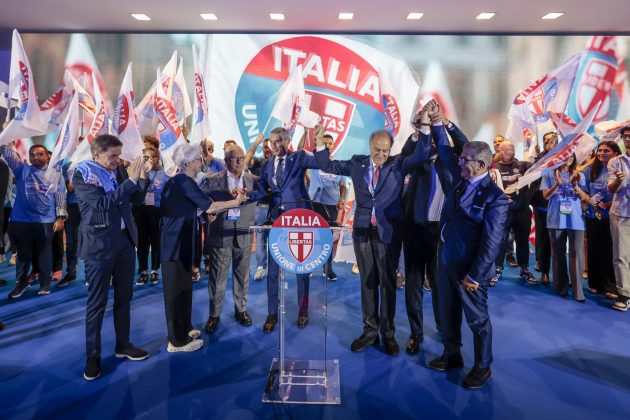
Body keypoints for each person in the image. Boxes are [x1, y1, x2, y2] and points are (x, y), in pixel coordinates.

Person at [313, 116, 427, 356]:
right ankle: (369, 331)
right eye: (377, 150)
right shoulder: (357, 163)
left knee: (387, 283)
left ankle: (388, 334)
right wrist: (320, 143)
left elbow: (421, 154)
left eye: (386, 150)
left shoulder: (398, 164)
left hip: (389, 234)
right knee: (367, 281)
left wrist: (422, 130)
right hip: (363, 232)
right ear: (369, 146)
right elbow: (326, 166)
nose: (381, 154)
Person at [428, 141, 508, 389]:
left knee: (477, 320)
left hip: (471, 271)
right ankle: (452, 355)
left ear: (481, 164)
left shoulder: (495, 197)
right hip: (447, 262)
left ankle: (483, 367)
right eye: (461, 158)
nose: (459, 162)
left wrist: (475, 275)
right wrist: (440, 125)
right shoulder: (460, 182)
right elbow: (445, 152)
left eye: (464, 159)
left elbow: (492, 242)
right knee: (448, 312)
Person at [74, 134, 151, 381]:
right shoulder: (83, 174)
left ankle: (123, 344)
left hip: (125, 242)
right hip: (99, 246)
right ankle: (92, 356)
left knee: (124, 297)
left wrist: (142, 177)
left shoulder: (118, 170)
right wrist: (131, 181)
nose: (118, 160)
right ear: (96, 154)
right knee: (97, 303)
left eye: (119, 155)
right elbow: (101, 205)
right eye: (113, 156)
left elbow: (135, 199)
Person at [161, 143, 245, 351]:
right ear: (188, 163)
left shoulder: (179, 181)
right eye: (198, 159)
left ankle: (184, 328)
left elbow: (187, 208)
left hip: (181, 242)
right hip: (174, 244)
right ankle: (176, 341)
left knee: (183, 289)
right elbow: (210, 205)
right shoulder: (183, 181)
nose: (202, 161)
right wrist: (235, 203)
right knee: (175, 293)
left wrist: (203, 215)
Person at [401, 100, 468, 353]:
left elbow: (464, 144)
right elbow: (408, 151)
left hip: (441, 234)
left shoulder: (451, 160)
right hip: (415, 231)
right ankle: (416, 333)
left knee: (441, 284)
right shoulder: (416, 158)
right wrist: (421, 127)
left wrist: (445, 123)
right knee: (413, 284)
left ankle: (443, 326)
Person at [256, 127, 327, 332]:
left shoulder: (299, 158)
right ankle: (272, 313)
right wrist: (244, 195)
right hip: (275, 221)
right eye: (271, 141)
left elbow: (321, 163)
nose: (273, 145)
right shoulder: (266, 165)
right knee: (273, 270)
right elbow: (261, 189)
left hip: (298, 220)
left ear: (287, 141)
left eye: (278, 141)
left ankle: (303, 310)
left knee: (301, 268)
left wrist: (319, 142)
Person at [201, 145, 258, 334]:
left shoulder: (253, 181)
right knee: (217, 277)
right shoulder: (212, 181)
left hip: (244, 233)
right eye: (235, 158)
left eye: (242, 158)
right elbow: (200, 203)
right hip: (220, 234)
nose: (240, 161)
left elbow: (266, 195)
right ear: (226, 161)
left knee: (242, 275)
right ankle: (214, 315)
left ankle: (241, 310)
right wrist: (207, 214)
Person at [2, 144, 66, 299]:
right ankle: (21, 283)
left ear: (47, 156)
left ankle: (45, 283)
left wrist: (60, 218)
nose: (35, 157)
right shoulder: (22, 170)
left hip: (46, 221)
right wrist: (5, 138)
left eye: (39, 154)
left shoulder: (55, 174)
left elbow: (60, 196)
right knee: (23, 255)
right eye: (32, 154)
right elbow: (8, 154)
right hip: (21, 220)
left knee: (44, 253)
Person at [541, 154, 587, 302]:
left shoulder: (579, 175)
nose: (567, 159)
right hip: (556, 219)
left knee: (576, 254)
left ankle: (578, 290)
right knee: (557, 254)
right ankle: (561, 287)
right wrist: (557, 184)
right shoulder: (549, 174)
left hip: (576, 220)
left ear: (574, 158)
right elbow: (545, 196)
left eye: (570, 156)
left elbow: (585, 197)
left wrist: (575, 186)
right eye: (564, 156)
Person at [491, 141, 537, 286]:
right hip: (503, 211)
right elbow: (487, 187)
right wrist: (499, 196)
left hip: (522, 211)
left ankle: (524, 269)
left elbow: (540, 166)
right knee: (501, 241)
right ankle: (497, 269)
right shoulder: (493, 168)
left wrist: (539, 151)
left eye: (510, 148)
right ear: (499, 151)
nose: (507, 151)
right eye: (504, 149)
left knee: (522, 241)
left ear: (514, 150)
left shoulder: (522, 166)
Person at [581, 141, 620, 296]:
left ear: (615, 153)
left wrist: (611, 203)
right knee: (594, 249)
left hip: (614, 215)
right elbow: (583, 192)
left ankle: (611, 285)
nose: (601, 153)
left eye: (606, 151)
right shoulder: (589, 170)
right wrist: (593, 203)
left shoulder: (619, 169)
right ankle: (595, 283)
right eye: (600, 150)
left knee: (611, 251)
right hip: (593, 215)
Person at [306, 133, 347, 281]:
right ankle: (309, 265)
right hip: (315, 203)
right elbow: (300, 149)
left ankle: (327, 268)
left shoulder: (338, 165)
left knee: (327, 238)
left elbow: (343, 185)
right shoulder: (313, 160)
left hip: (331, 206)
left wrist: (342, 199)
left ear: (334, 145)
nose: (328, 145)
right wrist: (305, 131)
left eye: (330, 143)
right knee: (312, 236)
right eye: (325, 143)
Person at [133, 147, 169, 286]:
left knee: (156, 241)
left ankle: (155, 270)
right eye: (147, 157)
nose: (151, 160)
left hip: (157, 210)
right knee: (142, 242)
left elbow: (167, 194)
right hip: (140, 210)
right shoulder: (138, 171)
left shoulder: (164, 173)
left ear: (158, 158)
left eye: (153, 156)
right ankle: (143, 271)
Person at [530, 132, 559, 285]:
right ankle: (543, 268)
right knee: (543, 237)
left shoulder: (564, 156)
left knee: (559, 240)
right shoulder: (540, 158)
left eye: (553, 140)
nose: (550, 142)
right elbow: (539, 167)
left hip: (561, 205)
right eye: (546, 140)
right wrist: (547, 150)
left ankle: (561, 274)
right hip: (543, 204)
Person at [607, 125, 630, 311]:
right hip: (621, 212)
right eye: (625, 136)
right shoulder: (615, 161)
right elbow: (610, 189)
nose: (628, 139)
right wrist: (618, 180)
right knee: (621, 256)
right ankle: (625, 294)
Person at [244, 134, 273, 281]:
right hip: (261, 206)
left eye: (269, 147)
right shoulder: (259, 162)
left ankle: (275, 267)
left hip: (277, 207)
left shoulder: (282, 163)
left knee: (276, 237)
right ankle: (261, 267)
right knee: (261, 237)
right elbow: (246, 162)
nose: (267, 149)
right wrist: (255, 144)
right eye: (265, 147)